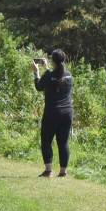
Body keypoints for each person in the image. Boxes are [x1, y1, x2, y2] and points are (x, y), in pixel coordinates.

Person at [33, 48, 74, 178]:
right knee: (63, 142)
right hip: (67, 113)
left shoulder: (49, 75)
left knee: (46, 141)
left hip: (52, 113)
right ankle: (63, 171)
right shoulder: (68, 75)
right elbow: (56, 78)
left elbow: (39, 86)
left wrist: (36, 72)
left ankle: (48, 170)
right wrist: (47, 68)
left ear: (53, 61)